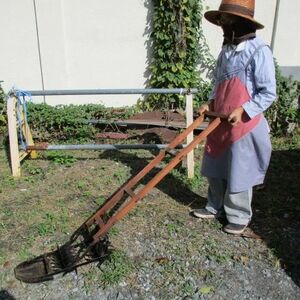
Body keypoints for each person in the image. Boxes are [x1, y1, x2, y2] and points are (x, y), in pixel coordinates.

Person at [192, 0, 276, 235]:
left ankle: (238, 214)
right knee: (215, 163)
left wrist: (244, 110)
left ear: (239, 22)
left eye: (225, 19)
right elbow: (219, 83)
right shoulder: (226, 50)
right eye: (220, 19)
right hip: (220, 119)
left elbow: (268, 91)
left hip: (243, 123)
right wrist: (209, 102)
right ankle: (214, 205)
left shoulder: (259, 51)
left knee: (240, 167)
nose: (221, 23)